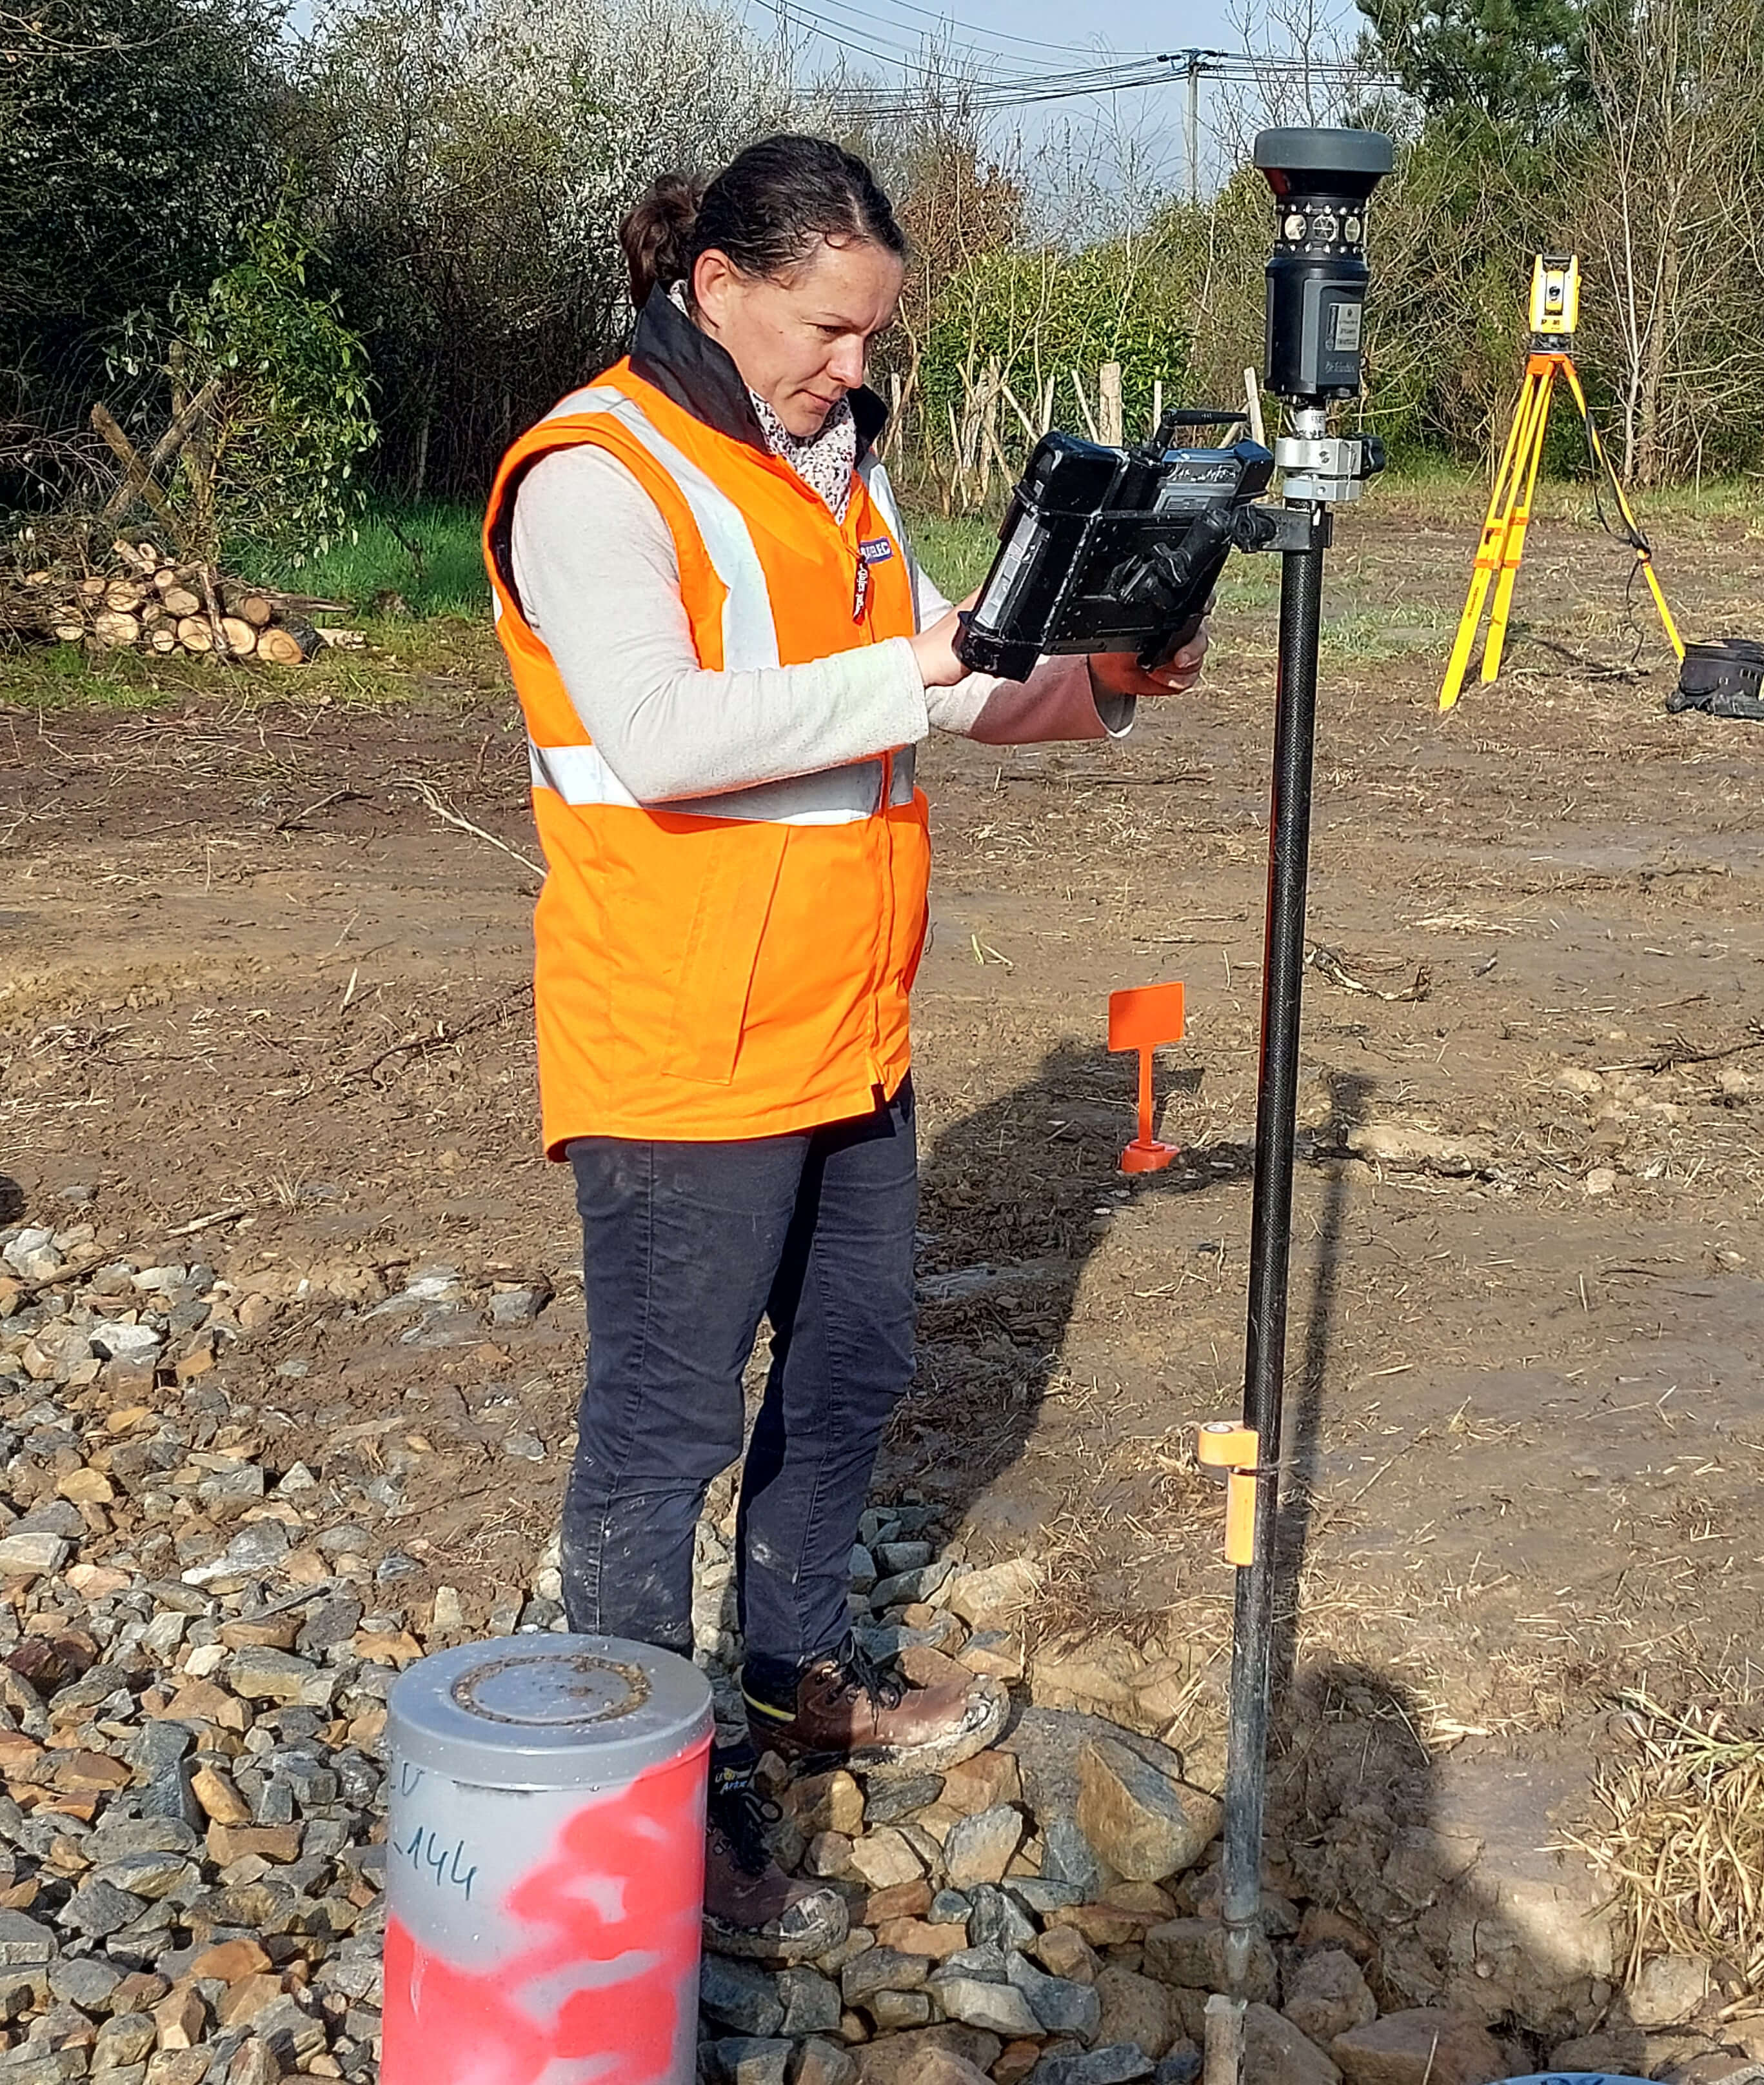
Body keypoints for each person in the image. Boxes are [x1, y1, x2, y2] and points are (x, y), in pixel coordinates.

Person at [480, 135, 1209, 1962]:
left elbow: (939, 696)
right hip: (678, 1037)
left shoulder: (830, 474)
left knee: (853, 1365)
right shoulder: (593, 474)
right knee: (660, 1432)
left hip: (843, 1028)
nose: (853, 368)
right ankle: (653, 1810)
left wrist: (1096, 676)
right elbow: (656, 735)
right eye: (830, 329)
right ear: (717, 285)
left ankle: (802, 1669)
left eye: (872, 338)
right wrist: (930, 661)